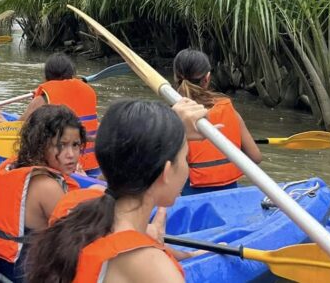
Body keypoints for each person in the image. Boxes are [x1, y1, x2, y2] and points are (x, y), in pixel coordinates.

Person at [26, 99, 208, 283]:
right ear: (166, 173)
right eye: (185, 158)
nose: (186, 166)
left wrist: (170, 127)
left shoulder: (75, 208)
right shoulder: (153, 267)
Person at [0, 105, 84, 283]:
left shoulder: (16, 168)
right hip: (30, 276)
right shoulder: (47, 186)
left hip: (5, 267)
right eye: (61, 145)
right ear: (40, 145)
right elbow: (80, 238)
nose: (71, 154)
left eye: (75, 145)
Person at [0, 54, 99, 173]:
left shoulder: (43, 99)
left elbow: (19, 130)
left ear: (46, 77)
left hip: (61, 163)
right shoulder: (88, 91)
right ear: (73, 75)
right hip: (93, 163)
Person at [172, 49, 261, 194]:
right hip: (228, 195)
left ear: (176, 78)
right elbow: (256, 157)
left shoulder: (173, 118)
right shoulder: (228, 110)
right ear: (207, 78)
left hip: (190, 197)